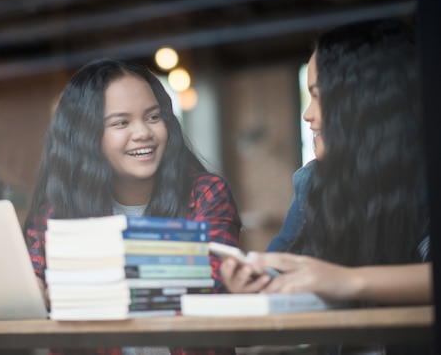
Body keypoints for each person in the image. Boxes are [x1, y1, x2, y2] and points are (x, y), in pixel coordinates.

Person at [220, 20, 431, 353]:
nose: (307, 114)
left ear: (364, 100)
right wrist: (252, 279)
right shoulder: (312, 183)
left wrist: (346, 281)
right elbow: (278, 264)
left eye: (318, 96)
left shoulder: (425, 178)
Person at [24, 58, 241, 355]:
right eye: (121, 122)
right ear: (86, 136)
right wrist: (32, 291)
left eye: (153, 117)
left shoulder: (205, 194)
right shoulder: (58, 208)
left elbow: (214, 281)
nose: (143, 133)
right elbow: (32, 286)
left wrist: (76, 287)